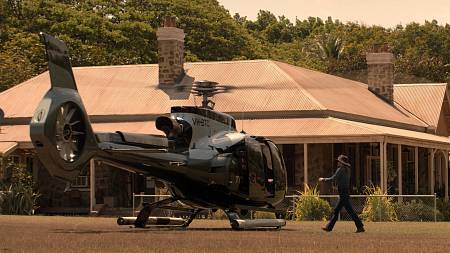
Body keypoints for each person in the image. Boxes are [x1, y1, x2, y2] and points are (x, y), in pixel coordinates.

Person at [319, 154, 365, 233]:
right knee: (337, 210)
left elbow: (333, 179)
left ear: (342, 162)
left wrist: (323, 179)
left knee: (348, 211)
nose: (338, 163)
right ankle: (329, 227)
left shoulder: (340, 169)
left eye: (339, 161)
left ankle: (360, 226)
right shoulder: (348, 169)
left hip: (343, 193)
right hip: (345, 192)